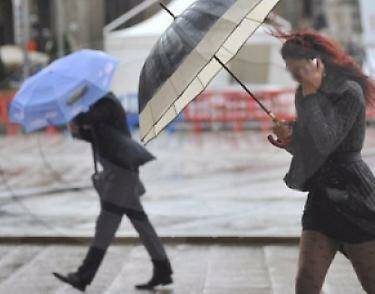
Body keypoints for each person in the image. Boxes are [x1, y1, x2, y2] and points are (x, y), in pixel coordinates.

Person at [268, 31, 375, 294]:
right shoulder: (303, 93)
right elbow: (312, 148)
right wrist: (289, 140)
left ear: (316, 61)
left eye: (299, 68)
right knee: (306, 283)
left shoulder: (349, 91)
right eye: (291, 71)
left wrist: (312, 94)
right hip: (321, 199)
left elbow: (328, 141)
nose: (296, 76)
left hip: (355, 199)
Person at [53, 93, 173, 291]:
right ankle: (163, 269)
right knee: (141, 224)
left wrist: (75, 118)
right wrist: (77, 132)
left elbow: (94, 121)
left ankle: (83, 276)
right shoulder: (96, 105)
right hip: (119, 173)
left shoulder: (106, 102)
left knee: (105, 226)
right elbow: (101, 136)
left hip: (120, 174)